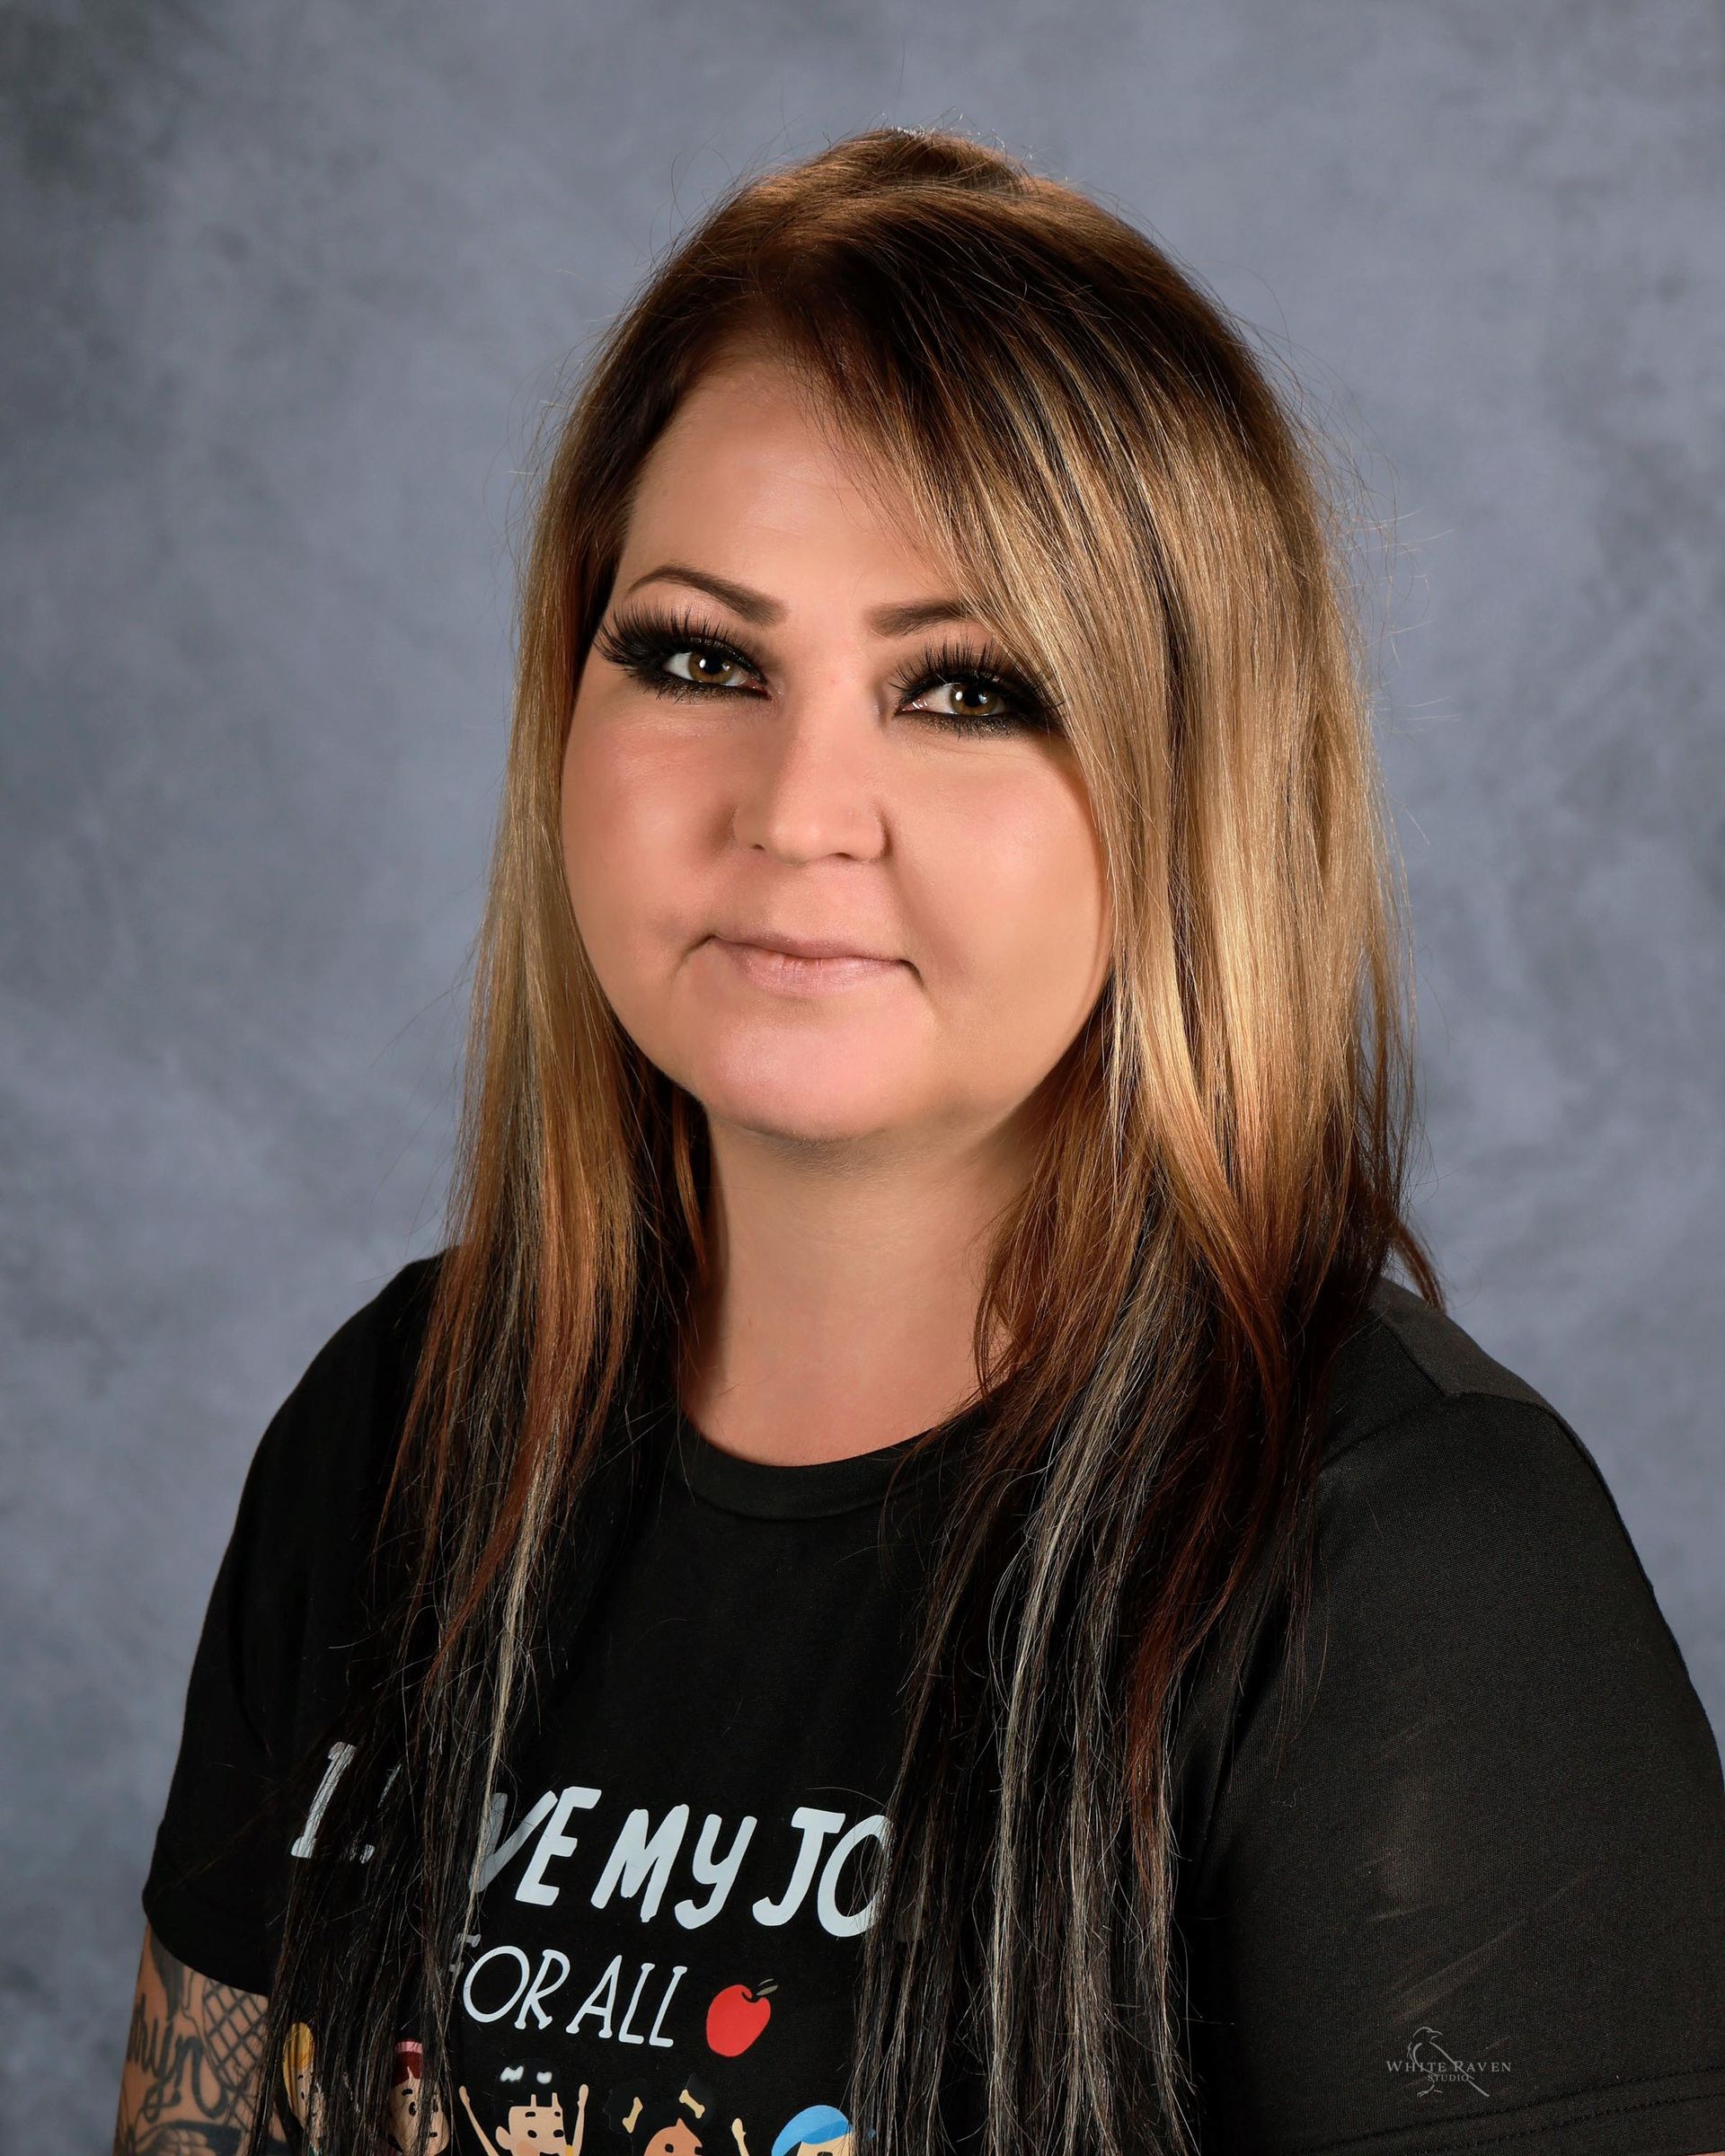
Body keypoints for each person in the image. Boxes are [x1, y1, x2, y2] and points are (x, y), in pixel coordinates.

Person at [111, 124, 1725, 2156]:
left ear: (1191, 786)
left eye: (966, 692)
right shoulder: (390, 1434)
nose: (799, 812)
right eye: (699, 656)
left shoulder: (1412, 1566)